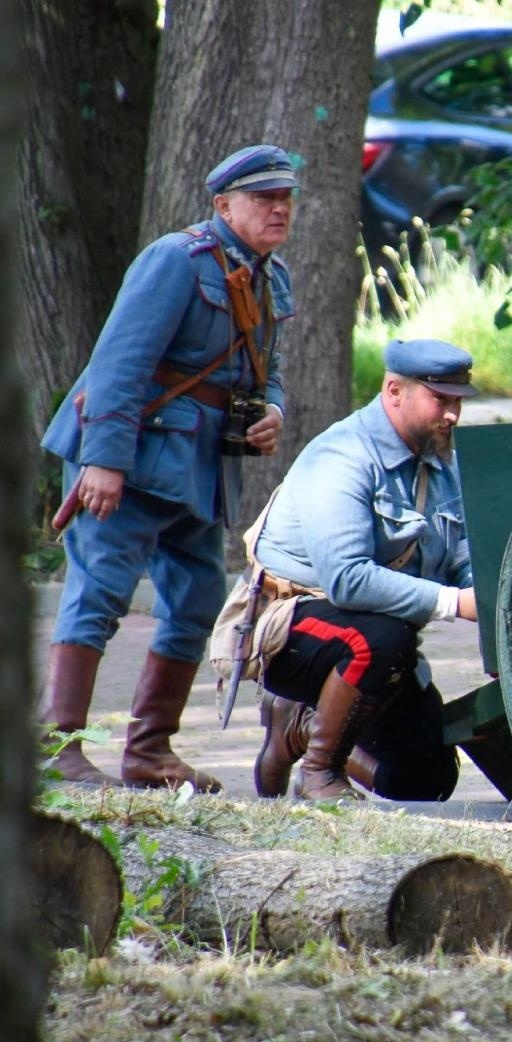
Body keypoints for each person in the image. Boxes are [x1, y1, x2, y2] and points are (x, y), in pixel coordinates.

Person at [38, 144, 298, 790]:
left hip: (199, 471)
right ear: (223, 205)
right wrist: (101, 461)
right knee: (99, 592)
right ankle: (57, 745)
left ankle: (149, 750)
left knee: (200, 599)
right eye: (264, 198)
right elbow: (119, 365)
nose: (278, 208)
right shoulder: (175, 262)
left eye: (285, 198)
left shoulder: (273, 276)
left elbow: (272, 370)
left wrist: (275, 412)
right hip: (132, 459)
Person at [250, 339, 477, 801]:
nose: (452, 414)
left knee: (426, 780)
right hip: (296, 626)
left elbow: (461, 555)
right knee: (380, 636)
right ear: (394, 390)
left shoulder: (439, 460)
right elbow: (347, 580)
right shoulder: (341, 457)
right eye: (441, 399)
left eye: (457, 401)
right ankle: (319, 770)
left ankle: (301, 727)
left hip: (379, 638)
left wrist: (488, 596)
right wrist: (456, 603)